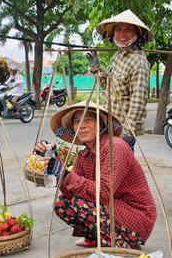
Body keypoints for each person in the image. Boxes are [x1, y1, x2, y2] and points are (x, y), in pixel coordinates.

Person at [34, 101, 156, 249]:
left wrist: (64, 172)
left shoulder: (115, 146)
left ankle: (120, 242)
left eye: (88, 120)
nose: (82, 125)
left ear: (101, 125)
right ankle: (96, 237)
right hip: (112, 209)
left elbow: (103, 192)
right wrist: (55, 160)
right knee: (62, 204)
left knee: (81, 204)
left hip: (136, 215)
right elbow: (70, 192)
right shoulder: (83, 155)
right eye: (77, 121)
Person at [86, 9, 153, 151]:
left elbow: (138, 103)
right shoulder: (117, 56)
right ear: (112, 33)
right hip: (109, 125)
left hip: (123, 131)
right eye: (118, 29)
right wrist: (96, 67)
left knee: (118, 170)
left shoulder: (138, 62)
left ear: (137, 34)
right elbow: (108, 85)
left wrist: (127, 135)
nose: (122, 35)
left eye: (128, 30)